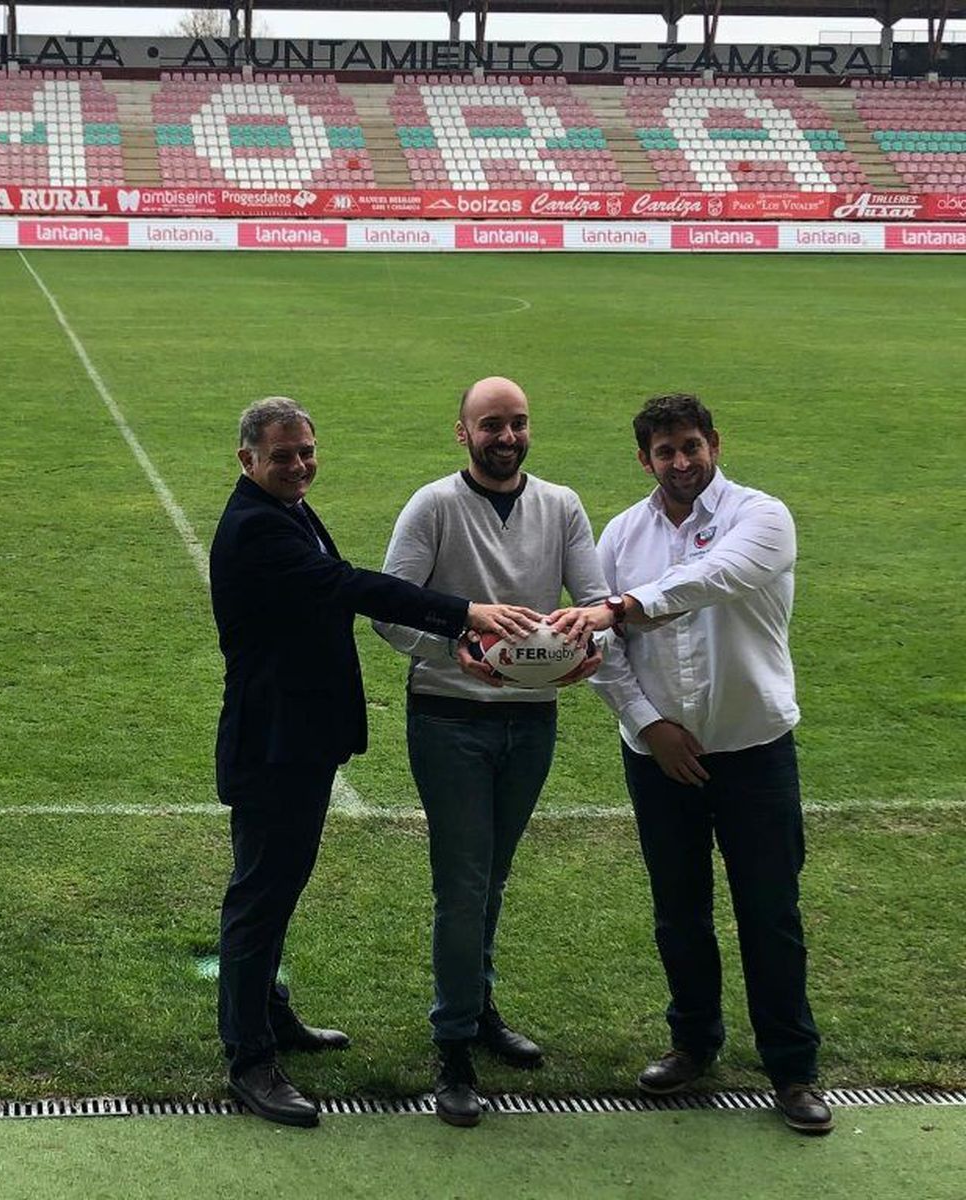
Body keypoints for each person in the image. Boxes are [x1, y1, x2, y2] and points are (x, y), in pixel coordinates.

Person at [211, 396, 540, 1129]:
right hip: (273, 746)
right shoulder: (257, 526)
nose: (299, 465)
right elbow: (348, 585)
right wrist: (464, 612)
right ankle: (249, 1057)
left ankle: (270, 1016)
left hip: (298, 739)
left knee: (277, 890)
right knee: (260, 898)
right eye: (281, 456)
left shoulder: (284, 509)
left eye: (306, 451)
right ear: (246, 460)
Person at [550, 393, 831, 1136]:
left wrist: (620, 606)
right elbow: (600, 649)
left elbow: (714, 578)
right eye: (665, 451)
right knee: (679, 912)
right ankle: (693, 1044)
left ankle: (793, 1069)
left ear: (715, 444)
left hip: (754, 750)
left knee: (770, 913)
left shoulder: (760, 517)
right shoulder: (622, 534)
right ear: (644, 460)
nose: (681, 462)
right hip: (659, 758)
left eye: (691, 446)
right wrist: (650, 726)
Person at [371, 376, 607, 1127]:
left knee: (492, 880)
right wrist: (457, 646)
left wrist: (585, 645)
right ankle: (453, 1047)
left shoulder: (562, 505)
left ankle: (477, 1009)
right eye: (491, 425)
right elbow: (387, 610)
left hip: (530, 721)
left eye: (518, 423)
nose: (507, 437)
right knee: (463, 885)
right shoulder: (434, 505)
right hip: (449, 720)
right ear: (462, 433)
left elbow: (595, 602)